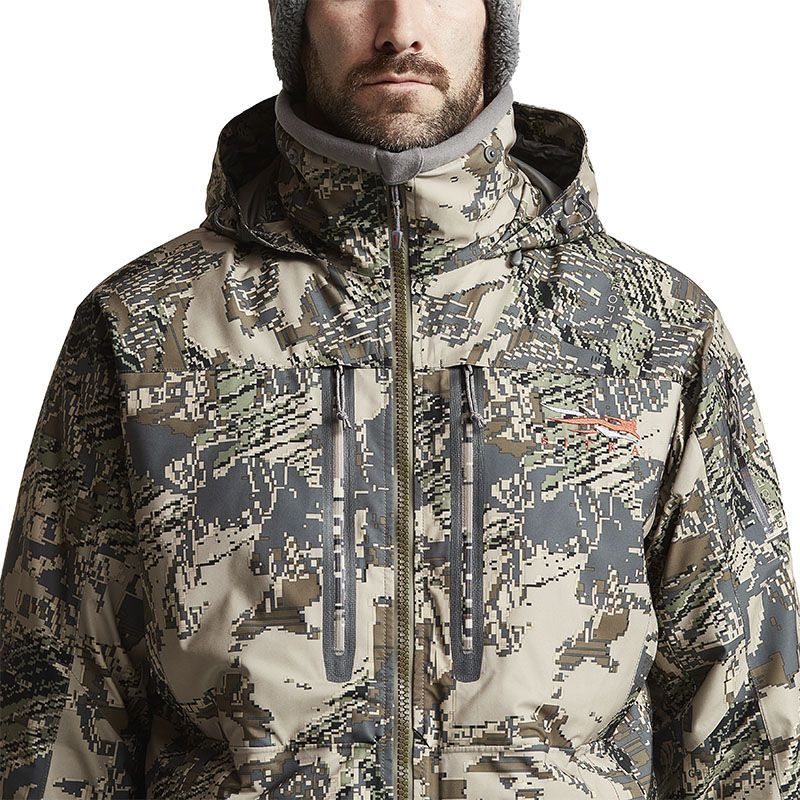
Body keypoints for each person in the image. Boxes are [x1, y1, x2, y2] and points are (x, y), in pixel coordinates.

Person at [2, 0, 798, 797]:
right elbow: (59, 716)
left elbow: (746, 723)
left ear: (493, 19)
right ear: (297, 21)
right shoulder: (146, 329)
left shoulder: (652, 328)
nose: (400, 28)